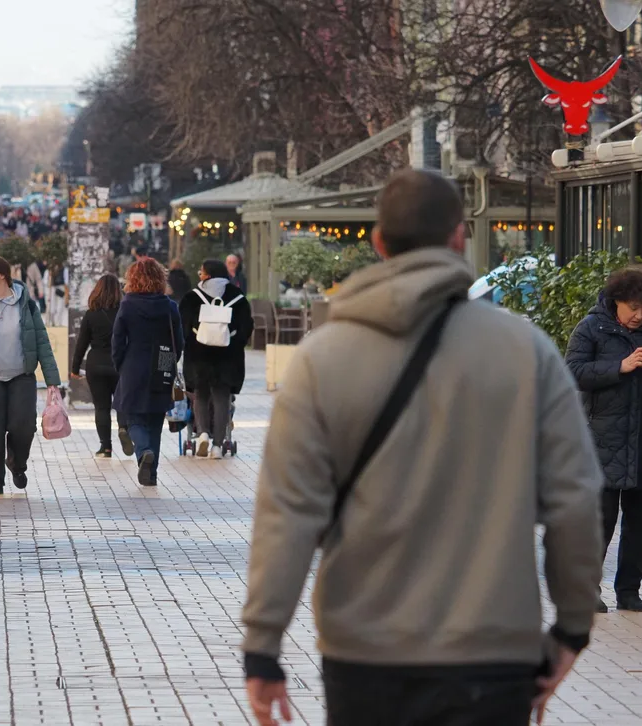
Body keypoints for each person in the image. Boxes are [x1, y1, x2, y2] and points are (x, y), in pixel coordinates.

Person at [242, 169, 602, 726]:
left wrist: (263, 645)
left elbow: (287, 511)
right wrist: (572, 626)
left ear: (379, 242)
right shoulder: (524, 350)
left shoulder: (323, 357)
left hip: (365, 652)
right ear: (459, 237)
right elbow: (575, 498)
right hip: (492, 651)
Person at [565, 266, 642, 613]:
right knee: (600, 522)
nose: (639, 315)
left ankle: (629, 591)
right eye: (633, 307)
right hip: (602, 442)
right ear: (616, 301)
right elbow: (572, 371)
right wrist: (621, 366)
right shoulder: (592, 328)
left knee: (640, 523)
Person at [0, 255, 61, 495]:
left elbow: (42, 342)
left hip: (21, 375)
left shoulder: (26, 305)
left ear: (2, 274)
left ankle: (17, 464)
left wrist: (53, 381)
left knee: (24, 426)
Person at [111, 259, 182, 487]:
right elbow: (178, 341)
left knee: (133, 419)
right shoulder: (169, 306)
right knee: (155, 422)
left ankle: (144, 453)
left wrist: (120, 364)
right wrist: (170, 362)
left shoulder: (128, 304)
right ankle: (151, 475)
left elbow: (118, 340)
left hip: (133, 365)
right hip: (162, 365)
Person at [179, 259, 253, 458]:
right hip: (227, 358)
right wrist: (235, 343)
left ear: (209, 274)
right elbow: (247, 327)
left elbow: (183, 327)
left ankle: (202, 433)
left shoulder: (192, 298)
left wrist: (192, 342)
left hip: (199, 356)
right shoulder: (237, 296)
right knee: (222, 399)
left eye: (202, 272)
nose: (199, 275)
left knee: (200, 395)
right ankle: (218, 446)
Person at [70, 274, 125, 457]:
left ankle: (106, 447)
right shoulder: (124, 312)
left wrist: (75, 368)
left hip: (96, 364)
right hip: (119, 364)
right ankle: (124, 428)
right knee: (121, 403)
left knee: (102, 407)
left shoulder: (91, 313)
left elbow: (81, 343)